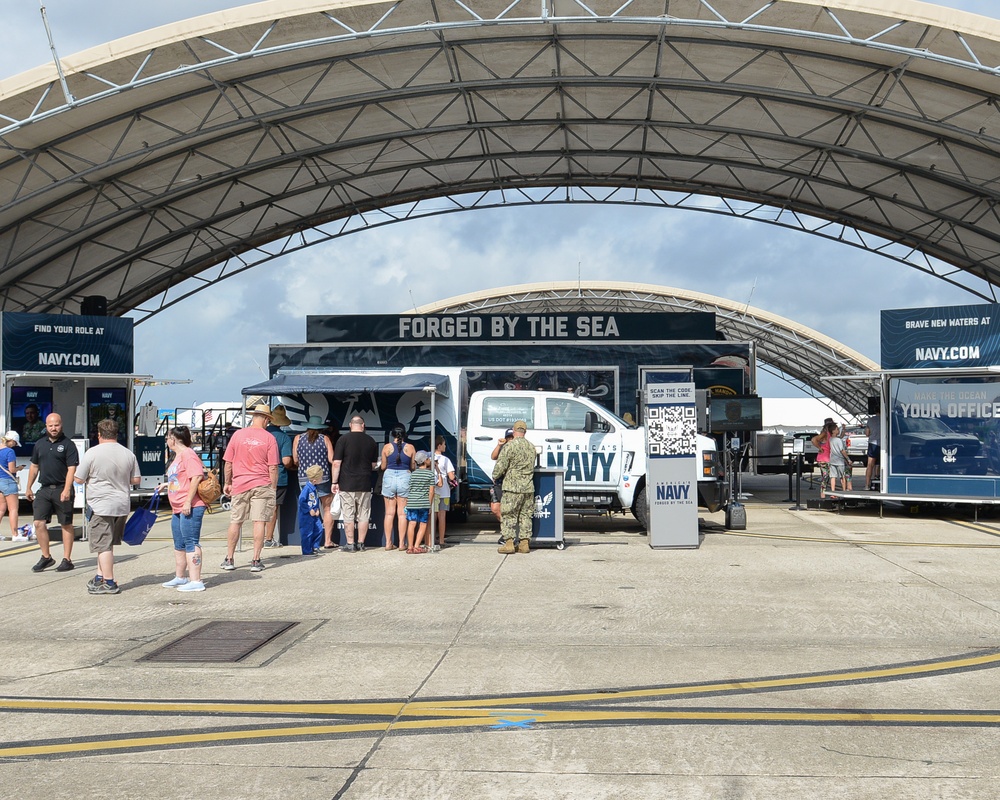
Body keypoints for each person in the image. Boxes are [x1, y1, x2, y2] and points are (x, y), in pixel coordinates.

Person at [74, 419, 140, 595]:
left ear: (99, 434)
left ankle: (109, 582)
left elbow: (79, 478)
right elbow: (136, 480)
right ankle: (99, 576)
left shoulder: (92, 453)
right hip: (122, 505)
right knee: (108, 544)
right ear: (116, 434)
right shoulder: (128, 454)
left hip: (100, 505)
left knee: (102, 545)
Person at [221, 404, 279, 573]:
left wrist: (227, 482)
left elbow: (228, 463)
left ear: (254, 417)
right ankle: (255, 560)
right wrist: (273, 487)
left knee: (235, 521)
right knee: (259, 521)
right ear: (267, 419)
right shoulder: (269, 438)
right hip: (261, 483)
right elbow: (273, 467)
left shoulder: (238, 435)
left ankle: (229, 558)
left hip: (240, 483)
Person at [26, 413, 80, 573]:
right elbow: (34, 466)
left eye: (56, 425)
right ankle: (46, 557)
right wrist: (28, 487)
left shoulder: (68, 444)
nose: (53, 428)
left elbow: (72, 469)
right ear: (46, 426)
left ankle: (67, 559)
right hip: (44, 489)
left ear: (61, 425)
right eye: (50, 425)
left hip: (62, 488)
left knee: (66, 524)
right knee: (38, 523)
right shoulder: (39, 444)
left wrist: (66, 489)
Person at [160, 426, 207, 592]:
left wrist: (188, 501)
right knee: (179, 543)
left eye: (167, 438)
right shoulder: (178, 456)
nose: (166, 441)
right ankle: (180, 577)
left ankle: (196, 581)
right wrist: (167, 485)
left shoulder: (188, 454)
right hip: (177, 507)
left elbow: (196, 476)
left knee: (191, 542)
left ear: (174, 439)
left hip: (190, 506)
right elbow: (181, 478)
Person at [331, 415, 379, 552]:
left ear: (350, 425)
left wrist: (335, 481)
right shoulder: (371, 441)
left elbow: (336, 463)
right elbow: (373, 464)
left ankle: (350, 544)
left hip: (347, 483)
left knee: (348, 514)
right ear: (363, 425)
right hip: (364, 483)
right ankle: (361, 544)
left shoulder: (343, 440)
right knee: (364, 514)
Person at [492, 419, 536, 554]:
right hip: (528, 487)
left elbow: (500, 467)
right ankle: (524, 544)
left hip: (512, 487)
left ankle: (509, 543)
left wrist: (495, 475)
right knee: (526, 516)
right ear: (525, 432)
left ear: (514, 430)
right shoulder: (531, 447)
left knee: (508, 515)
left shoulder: (509, 446)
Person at [292, 415, 336, 549]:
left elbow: (295, 460)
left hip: (305, 478)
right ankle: (327, 540)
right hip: (323, 477)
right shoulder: (325, 439)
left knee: (309, 508)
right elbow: (331, 459)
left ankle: (309, 541)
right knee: (327, 509)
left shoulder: (298, 438)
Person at [380, 425, 415, 550]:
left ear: (392, 435)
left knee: (389, 514)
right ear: (404, 434)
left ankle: (388, 543)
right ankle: (401, 544)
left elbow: (383, 466)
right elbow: (413, 466)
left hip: (389, 476)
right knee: (402, 514)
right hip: (404, 477)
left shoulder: (386, 447)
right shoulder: (410, 447)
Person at [264, 405, 294, 548]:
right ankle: (269, 539)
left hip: (258, 477)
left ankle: (258, 537)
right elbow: (286, 461)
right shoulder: (284, 438)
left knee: (259, 509)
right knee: (273, 509)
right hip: (278, 478)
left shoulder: (261, 434)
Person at [404, 451, 435, 553]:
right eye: (428, 459)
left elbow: (410, 488)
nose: (430, 460)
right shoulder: (430, 474)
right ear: (425, 461)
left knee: (412, 523)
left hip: (412, 502)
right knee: (423, 524)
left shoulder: (412, 474)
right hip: (423, 503)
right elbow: (431, 491)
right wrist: (429, 504)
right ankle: (417, 546)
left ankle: (410, 546)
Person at [297, 464, 325, 557]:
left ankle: (315, 546)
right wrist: (309, 510)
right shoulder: (307, 489)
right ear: (315, 480)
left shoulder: (315, 489)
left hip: (314, 515)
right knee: (307, 533)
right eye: (321, 477)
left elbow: (314, 501)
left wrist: (317, 509)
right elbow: (301, 501)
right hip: (306, 516)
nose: (322, 479)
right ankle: (307, 551)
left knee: (319, 529)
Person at [433, 436, 456, 547]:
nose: (445, 446)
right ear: (439, 446)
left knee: (433, 515)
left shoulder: (429, 457)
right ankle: (441, 540)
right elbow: (451, 477)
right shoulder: (446, 460)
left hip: (432, 490)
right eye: (444, 444)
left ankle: (431, 539)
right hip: (444, 491)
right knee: (442, 516)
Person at [0, 431, 22, 539]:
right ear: (12, 441)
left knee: (1, 509)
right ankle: (15, 534)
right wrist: (19, 468)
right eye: (15, 443)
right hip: (8, 481)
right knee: (13, 509)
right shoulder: (10, 452)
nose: (15, 445)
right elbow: (12, 469)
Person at [489, 428, 513, 524]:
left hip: (511, 482)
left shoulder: (517, 448)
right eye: (508, 437)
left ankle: (508, 532)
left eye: (512, 437)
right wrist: (499, 445)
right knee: (495, 508)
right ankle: (506, 528)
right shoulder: (503, 448)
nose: (510, 439)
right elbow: (493, 457)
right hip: (499, 482)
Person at [811, 421, 835, 499]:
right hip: (824, 458)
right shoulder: (825, 434)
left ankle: (825, 491)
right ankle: (823, 492)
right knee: (825, 476)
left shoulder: (831, 435)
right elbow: (814, 440)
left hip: (827, 458)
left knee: (827, 476)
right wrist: (819, 448)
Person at [827, 424, 852, 494]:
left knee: (833, 477)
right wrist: (848, 459)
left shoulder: (830, 439)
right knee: (842, 477)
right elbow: (842, 450)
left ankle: (833, 491)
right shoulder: (838, 440)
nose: (838, 430)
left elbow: (841, 436)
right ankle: (843, 491)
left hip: (832, 460)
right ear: (833, 431)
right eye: (837, 429)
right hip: (840, 461)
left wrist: (843, 429)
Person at [865, 412, 881, 491]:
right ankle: (877, 480)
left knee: (870, 465)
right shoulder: (885, 419)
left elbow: (867, 433)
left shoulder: (870, 420)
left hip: (872, 443)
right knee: (879, 464)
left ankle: (867, 485)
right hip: (883, 443)